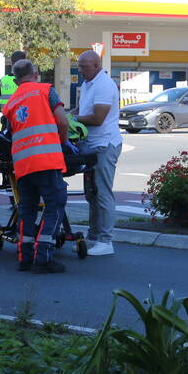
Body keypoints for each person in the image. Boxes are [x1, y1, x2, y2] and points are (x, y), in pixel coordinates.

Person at [2, 59, 75, 273]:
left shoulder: (11, 103)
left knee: (27, 209)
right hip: (46, 159)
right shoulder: (46, 91)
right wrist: (63, 143)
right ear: (35, 73)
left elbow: (10, 132)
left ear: (15, 80)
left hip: (23, 164)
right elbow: (62, 122)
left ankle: (25, 257)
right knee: (54, 205)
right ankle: (43, 256)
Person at [73, 50, 122, 256]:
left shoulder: (103, 85)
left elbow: (97, 118)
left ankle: (106, 240)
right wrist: (68, 114)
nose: (80, 70)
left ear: (95, 65)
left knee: (102, 192)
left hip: (104, 144)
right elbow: (82, 110)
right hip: (91, 145)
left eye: (83, 66)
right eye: (79, 66)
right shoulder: (88, 83)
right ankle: (94, 235)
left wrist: (72, 119)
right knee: (92, 193)